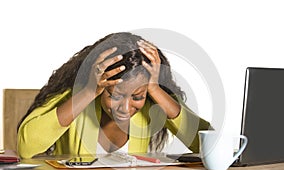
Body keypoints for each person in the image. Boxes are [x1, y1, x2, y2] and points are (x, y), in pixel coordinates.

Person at [17, 32, 211, 159]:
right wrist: (88, 92)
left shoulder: (153, 105)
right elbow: (26, 147)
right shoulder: (78, 97)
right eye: (115, 95)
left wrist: (155, 90)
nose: (125, 109)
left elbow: (208, 146)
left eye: (137, 97)